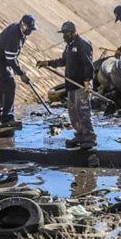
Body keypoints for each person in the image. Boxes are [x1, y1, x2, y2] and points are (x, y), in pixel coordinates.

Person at [36, 21, 97, 150]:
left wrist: (87, 80)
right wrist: (48, 63)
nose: (63, 36)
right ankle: (80, 135)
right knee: (73, 113)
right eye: (63, 34)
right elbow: (63, 61)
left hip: (81, 85)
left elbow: (88, 64)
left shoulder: (82, 44)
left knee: (83, 112)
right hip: (70, 85)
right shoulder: (69, 46)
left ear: (72, 32)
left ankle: (89, 138)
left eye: (65, 34)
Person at [0, 14, 37, 128]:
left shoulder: (20, 32)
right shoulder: (14, 35)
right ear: (23, 25)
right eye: (29, 29)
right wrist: (21, 73)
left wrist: (18, 70)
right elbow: (11, 58)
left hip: (0, 59)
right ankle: (7, 118)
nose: (30, 32)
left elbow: (13, 57)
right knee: (10, 84)